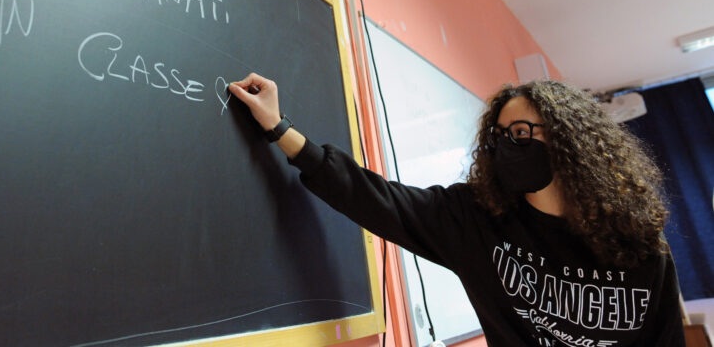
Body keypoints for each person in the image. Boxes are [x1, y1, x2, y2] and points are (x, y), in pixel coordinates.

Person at [229, 73, 686, 347]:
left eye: (521, 133)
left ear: (570, 140)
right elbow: (371, 197)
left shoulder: (639, 244)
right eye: (499, 137)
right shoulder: (475, 220)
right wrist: (279, 128)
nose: (507, 147)